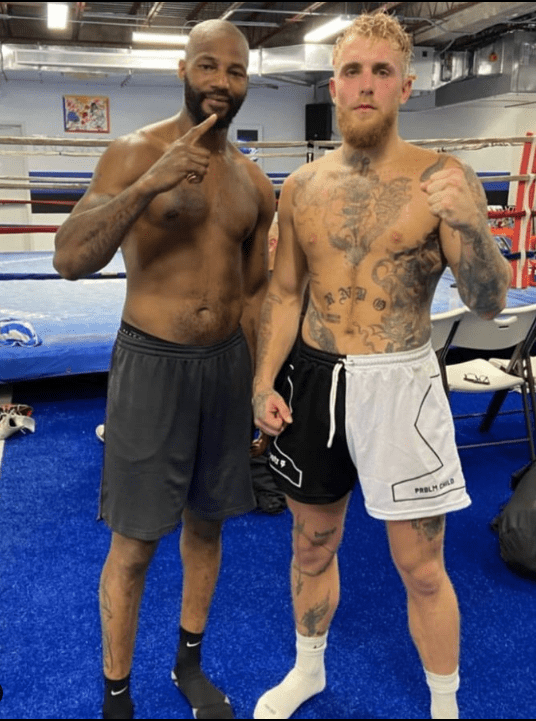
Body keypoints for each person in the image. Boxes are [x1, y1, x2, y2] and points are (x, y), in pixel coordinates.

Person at [252, 11, 512, 721]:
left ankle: (445, 704)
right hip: (314, 379)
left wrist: (469, 225)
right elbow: (282, 293)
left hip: (402, 382)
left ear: (406, 84)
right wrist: (262, 379)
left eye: (381, 72)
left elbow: (491, 304)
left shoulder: (443, 178)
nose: (366, 85)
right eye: (353, 72)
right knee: (311, 543)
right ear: (334, 87)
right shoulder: (302, 185)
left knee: (422, 567)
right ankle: (307, 670)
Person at [54, 19, 275, 720]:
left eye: (235, 71)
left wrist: (256, 387)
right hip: (152, 364)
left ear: (247, 82)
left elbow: (255, 292)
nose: (220, 82)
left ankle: (189, 663)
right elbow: (68, 257)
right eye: (208, 66)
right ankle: (117, 696)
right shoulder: (131, 153)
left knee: (208, 527)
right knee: (136, 540)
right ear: (181, 68)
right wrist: (148, 184)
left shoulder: (254, 183)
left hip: (224, 369)